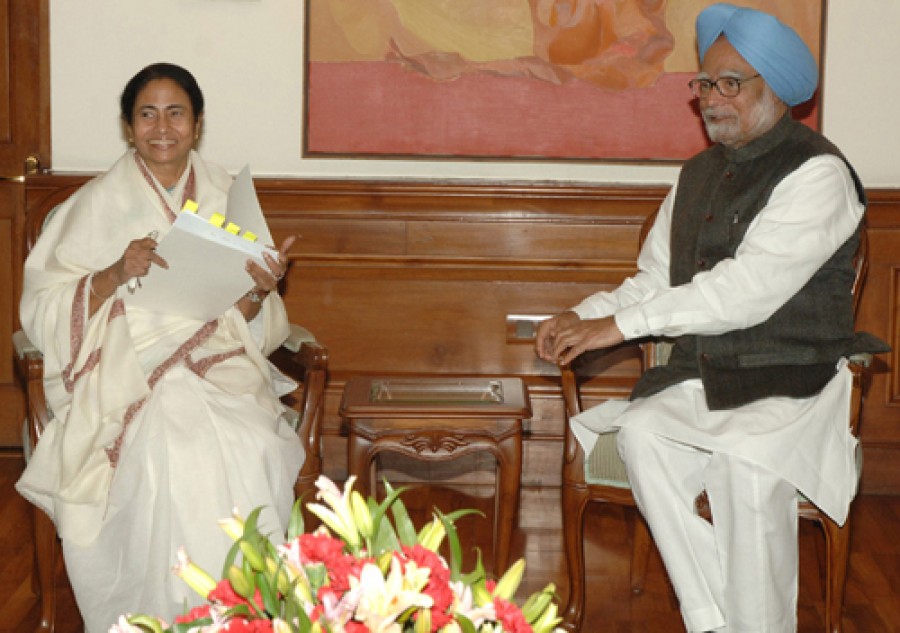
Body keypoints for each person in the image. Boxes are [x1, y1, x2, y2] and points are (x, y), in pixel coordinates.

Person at [535, 4, 888, 632]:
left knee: (744, 466)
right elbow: (655, 279)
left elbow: (744, 291)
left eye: (731, 82)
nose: (711, 98)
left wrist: (617, 329)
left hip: (793, 382)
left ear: (776, 89)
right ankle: (717, 621)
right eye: (704, 83)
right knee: (643, 433)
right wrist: (581, 315)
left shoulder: (820, 173)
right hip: (708, 376)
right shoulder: (695, 174)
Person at [16, 63, 304, 631]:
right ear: (129, 126)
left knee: (255, 447)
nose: (162, 127)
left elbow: (248, 318)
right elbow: (42, 307)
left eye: (176, 113)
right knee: (176, 443)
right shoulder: (93, 204)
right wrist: (113, 273)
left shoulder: (227, 194)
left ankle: (244, 611)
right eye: (147, 114)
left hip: (220, 363)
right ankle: (169, 613)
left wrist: (258, 288)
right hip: (125, 368)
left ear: (197, 124)